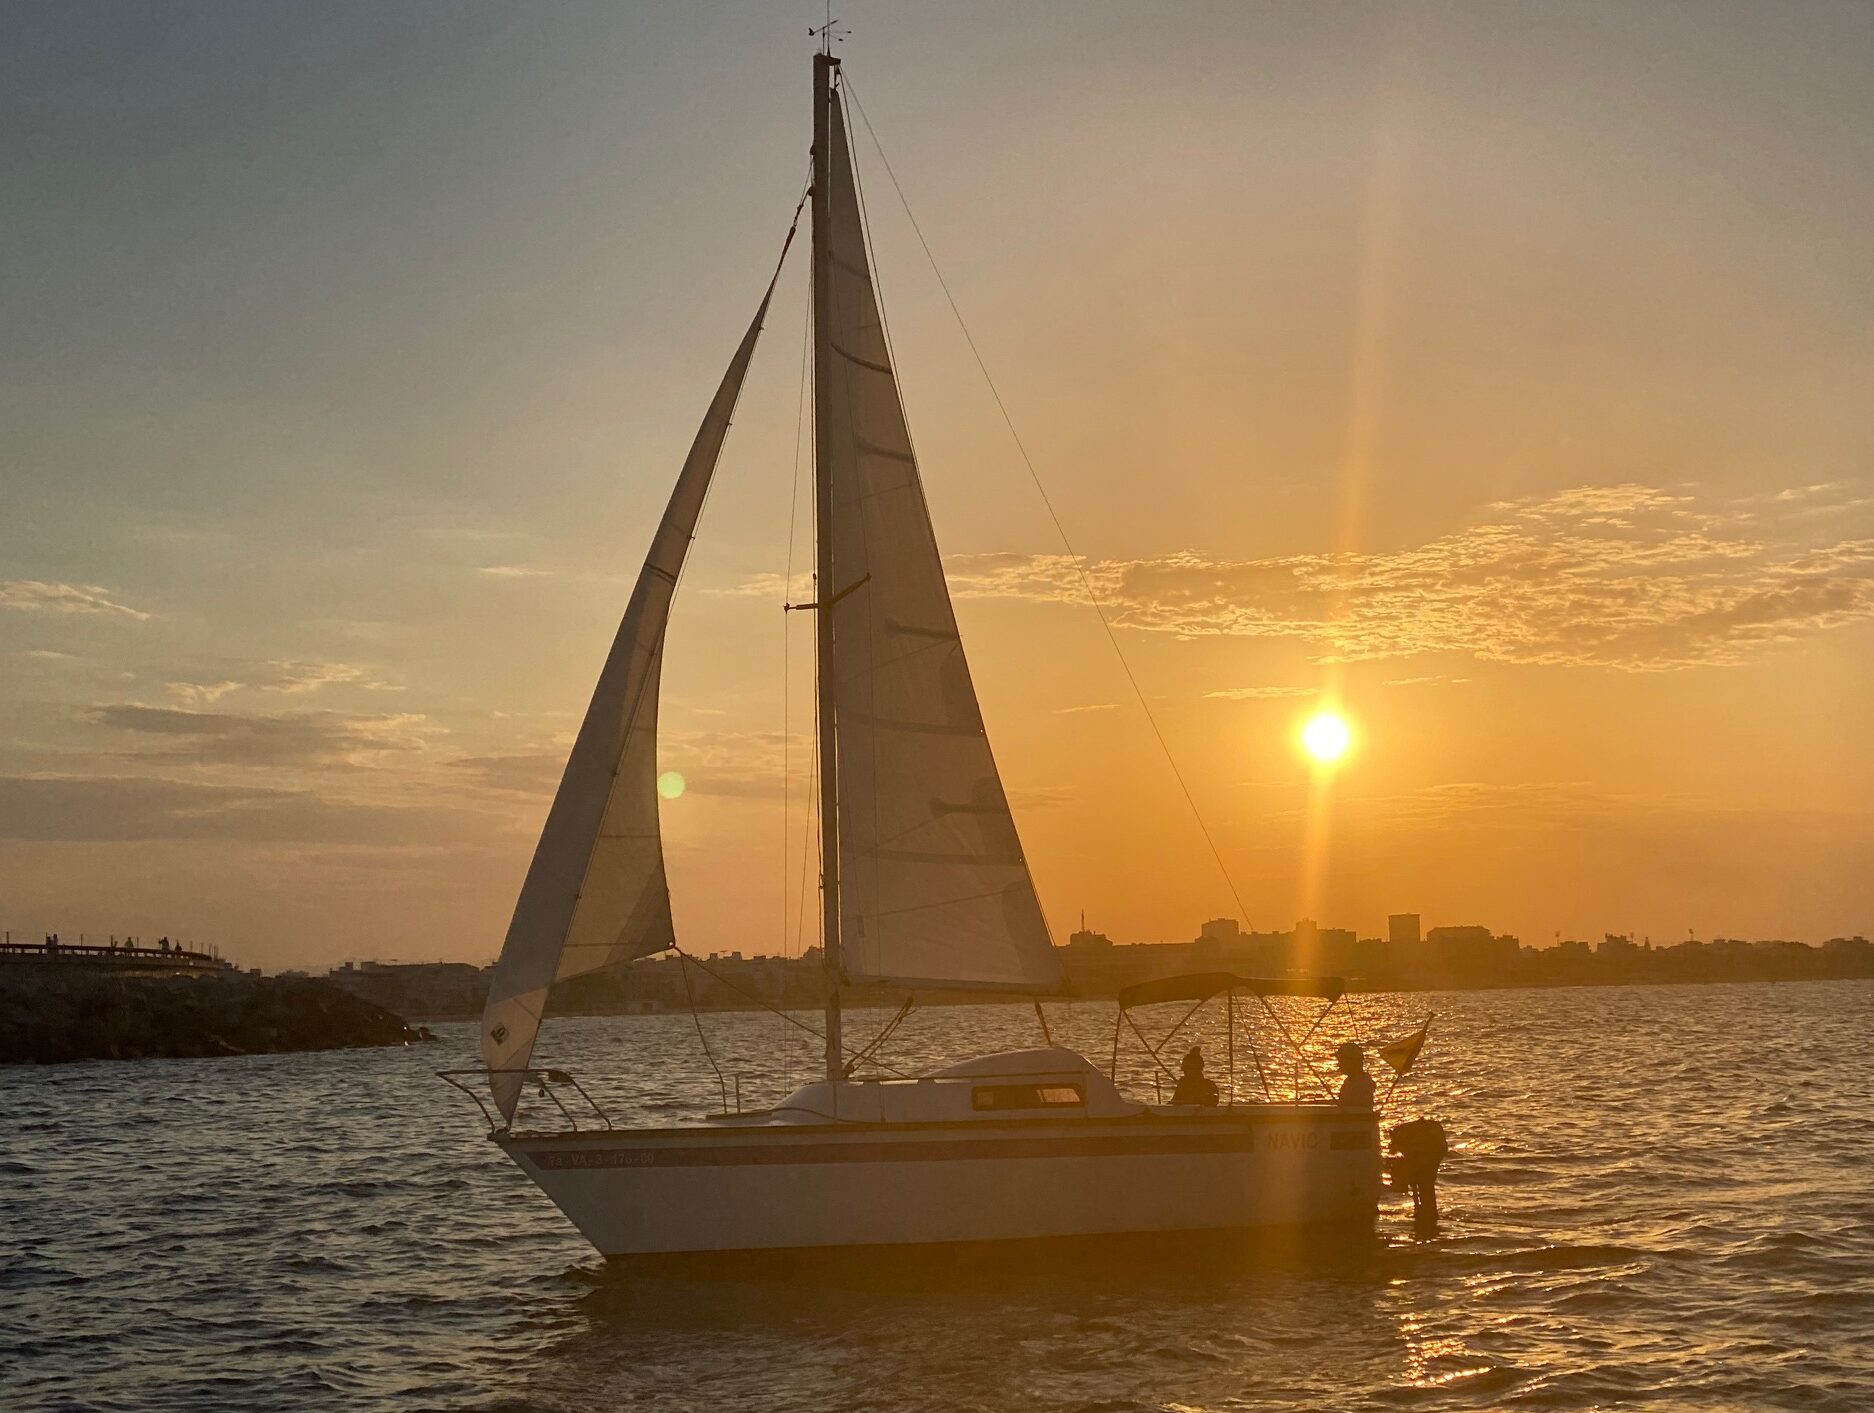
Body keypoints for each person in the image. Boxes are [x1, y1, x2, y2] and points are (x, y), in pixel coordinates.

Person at [1336, 1041, 1375, 1110]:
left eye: (1342, 1061)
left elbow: (1353, 1108)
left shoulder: (1361, 1084)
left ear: (1353, 1062)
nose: (1339, 1065)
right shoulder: (1350, 1081)